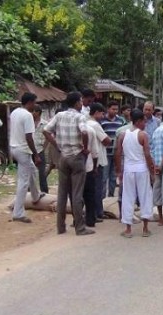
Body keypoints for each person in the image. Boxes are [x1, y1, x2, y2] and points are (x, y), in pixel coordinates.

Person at [43, 92, 94, 236]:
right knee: (77, 194)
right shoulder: (80, 116)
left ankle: (61, 226)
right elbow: (84, 132)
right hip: (76, 156)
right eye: (80, 101)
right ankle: (80, 227)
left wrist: (57, 144)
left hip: (63, 156)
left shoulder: (59, 116)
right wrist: (84, 148)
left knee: (62, 193)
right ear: (77, 103)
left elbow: (45, 131)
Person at [115, 109, 155, 238]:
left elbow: (117, 153)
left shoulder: (122, 135)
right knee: (145, 197)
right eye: (143, 121)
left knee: (128, 197)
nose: (145, 123)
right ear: (138, 121)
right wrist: (152, 170)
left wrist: (118, 171)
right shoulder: (143, 135)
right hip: (142, 169)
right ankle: (145, 228)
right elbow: (147, 155)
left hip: (128, 169)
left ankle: (128, 229)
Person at [9, 93, 45, 223]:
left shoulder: (14, 112)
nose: (35, 105)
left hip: (14, 147)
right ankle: (18, 213)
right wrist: (36, 154)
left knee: (33, 170)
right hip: (23, 149)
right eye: (34, 102)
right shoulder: (28, 115)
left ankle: (35, 196)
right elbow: (29, 137)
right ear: (30, 102)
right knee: (23, 181)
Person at [87, 103, 112, 221]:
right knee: (97, 187)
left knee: (90, 187)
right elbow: (106, 140)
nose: (103, 116)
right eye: (102, 113)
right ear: (96, 112)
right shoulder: (95, 125)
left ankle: (93, 212)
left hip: (88, 160)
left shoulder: (85, 123)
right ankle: (98, 212)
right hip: (98, 160)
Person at [82, 104, 103, 228]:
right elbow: (95, 153)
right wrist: (95, 167)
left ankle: (77, 219)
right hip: (89, 166)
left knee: (75, 193)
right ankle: (91, 219)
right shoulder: (91, 129)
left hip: (72, 165)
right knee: (90, 193)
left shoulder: (71, 129)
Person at [100, 100, 125, 198]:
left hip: (116, 153)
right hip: (105, 153)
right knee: (104, 176)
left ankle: (110, 195)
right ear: (108, 109)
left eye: (116, 109)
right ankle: (102, 197)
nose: (115, 111)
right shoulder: (102, 120)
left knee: (114, 177)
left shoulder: (121, 121)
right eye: (113, 109)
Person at [32, 105, 49, 193]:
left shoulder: (45, 124)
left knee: (41, 173)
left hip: (39, 150)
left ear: (38, 112)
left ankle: (45, 192)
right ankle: (29, 192)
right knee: (29, 173)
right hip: (30, 150)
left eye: (33, 111)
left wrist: (44, 148)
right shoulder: (29, 123)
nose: (32, 113)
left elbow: (48, 137)